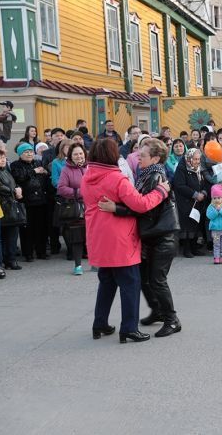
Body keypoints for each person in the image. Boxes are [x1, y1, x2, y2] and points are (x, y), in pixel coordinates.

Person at [82, 137, 170, 343]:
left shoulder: (87, 176)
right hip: (119, 239)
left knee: (107, 282)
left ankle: (100, 323)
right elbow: (140, 204)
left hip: (97, 236)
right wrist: (161, 191)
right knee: (131, 283)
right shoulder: (117, 179)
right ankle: (129, 328)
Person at [11, 143, 49, 261]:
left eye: (31, 152)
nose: (29, 154)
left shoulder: (38, 162)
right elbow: (19, 177)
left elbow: (44, 177)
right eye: (26, 152)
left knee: (41, 227)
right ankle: (28, 253)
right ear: (20, 154)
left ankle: (41, 252)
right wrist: (34, 171)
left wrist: (45, 172)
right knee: (27, 229)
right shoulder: (15, 165)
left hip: (41, 200)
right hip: (26, 201)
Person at [57, 142, 87, 275]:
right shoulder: (66, 170)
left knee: (93, 236)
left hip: (92, 207)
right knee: (77, 237)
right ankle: (78, 265)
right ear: (70, 156)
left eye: (81, 153)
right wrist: (80, 192)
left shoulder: (90, 167)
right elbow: (61, 188)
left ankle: (97, 263)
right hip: (76, 208)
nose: (79, 156)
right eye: (75, 154)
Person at [0, 148, 22, 272]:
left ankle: (11, 259)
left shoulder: (6, 171)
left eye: (3, 158)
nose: (2, 160)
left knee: (12, 235)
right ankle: (2, 261)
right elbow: (0, 187)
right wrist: (13, 191)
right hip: (2, 206)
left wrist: (18, 189)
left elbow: (14, 183)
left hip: (11, 206)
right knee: (2, 237)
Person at [206, 184, 222, 264]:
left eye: (218, 198)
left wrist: (220, 210)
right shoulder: (211, 206)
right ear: (212, 198)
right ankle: (216, 257)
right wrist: (216, 211)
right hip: (215, 230)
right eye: (214, 198)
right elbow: (209, 216)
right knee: (216, 244)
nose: (217, 200)